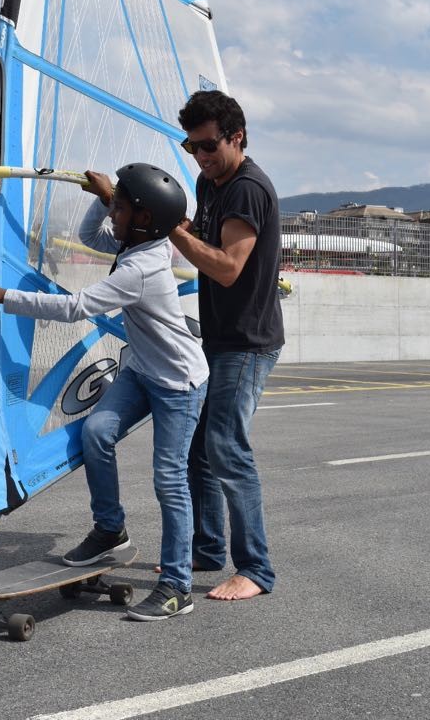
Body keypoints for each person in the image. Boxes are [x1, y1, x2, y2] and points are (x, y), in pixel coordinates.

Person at [0, 162, 208, 621]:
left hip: (178, 382)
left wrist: (4, 296)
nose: (112, 212)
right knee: (97, 432)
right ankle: (109, 530)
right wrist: (102, 199)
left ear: (142, 219)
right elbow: (89, 237)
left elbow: (76, 308)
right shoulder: (140, 240)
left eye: (119, 206)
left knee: (169, 480)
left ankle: (178, 586)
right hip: (142, 371)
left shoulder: (142, 266)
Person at [168, 90, 284, 601]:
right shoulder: (208, 182)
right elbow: (199, 237)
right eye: (192, 147)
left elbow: (226, 266)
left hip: (248, 340)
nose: (201, 156)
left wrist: (171, 230)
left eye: (210, 145)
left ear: (237, 137)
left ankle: (256, 569)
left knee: (226, 448)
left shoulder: (246, 189)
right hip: (217, 335)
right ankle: (209, 548)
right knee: (199, 448)